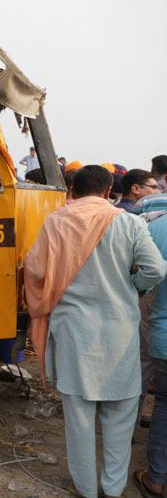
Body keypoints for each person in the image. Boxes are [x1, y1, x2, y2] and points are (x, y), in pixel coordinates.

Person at [24, 165, 167, 498]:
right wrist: (134, 288)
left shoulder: (56, 221)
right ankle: (113, 489)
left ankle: (85, 489)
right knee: (119, 417)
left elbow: (35, 268)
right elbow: (156, 269)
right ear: (108, 192)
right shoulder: (129, 222)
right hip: (119, 333)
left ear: (72, 191)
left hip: (73, 332)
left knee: (79, 419)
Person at [135, 199, 167, 497]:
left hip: (164, 334)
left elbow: (147, 275)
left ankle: (157, 477)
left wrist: (138, 287)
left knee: (166, 405)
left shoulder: (155, 227)